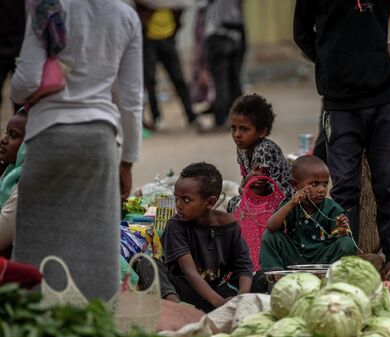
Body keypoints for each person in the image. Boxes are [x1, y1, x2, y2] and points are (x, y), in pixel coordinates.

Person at [293, 0, 390, 283]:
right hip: (339, 103)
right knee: (344, 188)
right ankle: (348, 263)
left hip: (384, 98)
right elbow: (301, 33)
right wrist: (328, 61)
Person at [10, 0, 143, 301]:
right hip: (100, 139)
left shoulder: (47, 6)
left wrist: (24, 89)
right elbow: (132, 99)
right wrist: (128, 161)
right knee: (96, 244)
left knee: (37, 241)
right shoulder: (125, 16)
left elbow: (25, 82)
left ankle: (35, 317)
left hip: (49, 135)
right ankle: (95, 321)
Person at [161, 162, 253, 312]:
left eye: (186, 199)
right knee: (149, 265)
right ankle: (178, 310)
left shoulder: (229, 224)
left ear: (210, 202)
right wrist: (221, 305)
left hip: (218, 292)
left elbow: (243, 266)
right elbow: (190, 273)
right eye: (176, 198)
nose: (178, 204)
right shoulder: (175, 226)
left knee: (263, 277)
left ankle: (217, 307)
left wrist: (242, 299)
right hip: (185, 294)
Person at [260, 155, 356, 269]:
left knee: (346, 243)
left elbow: (343, 244)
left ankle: (332, 279)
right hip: (294, 261)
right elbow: (271, 226)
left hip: (323, 261)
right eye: (315, 184)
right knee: (270, 236)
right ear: (295, 185)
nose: (321, 189)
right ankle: (274, 277)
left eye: (325, 184)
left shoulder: (332, 208)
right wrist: (291, 203)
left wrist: (342, 231)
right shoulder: (291, 205)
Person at [135, 2, 198, 131]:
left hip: (168, 39)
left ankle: (191, 116)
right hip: (149, 40)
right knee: (150, 81)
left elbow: (182, 7)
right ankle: (157, 117)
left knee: (178, 78)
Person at [227, 94, 293, 213]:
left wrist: (244, 190)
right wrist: (245, 186)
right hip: (259, 194)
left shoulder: (263, 150)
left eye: (244, 129)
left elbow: (259, 189)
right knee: (232, 204)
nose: (237, 134)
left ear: (262, 132)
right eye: (233, 128)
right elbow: (245, 180)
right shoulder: (242, 147)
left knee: (240, 209)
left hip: (280, 198)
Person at [204, 0, 245, 131]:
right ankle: (240, 118)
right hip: (235, 35)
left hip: (218, 35)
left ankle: (221, 119)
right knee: (234, 79)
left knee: (221, 81)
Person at [0, 109, 27, 258]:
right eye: (6, 133)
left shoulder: (25, 181)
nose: (4, 140)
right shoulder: (9, 172)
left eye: (14, 135)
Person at [0, 0, 25, 115]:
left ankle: (19, 131)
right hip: (21, 49)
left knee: (22, 101)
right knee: (22, 101)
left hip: (22, 50)